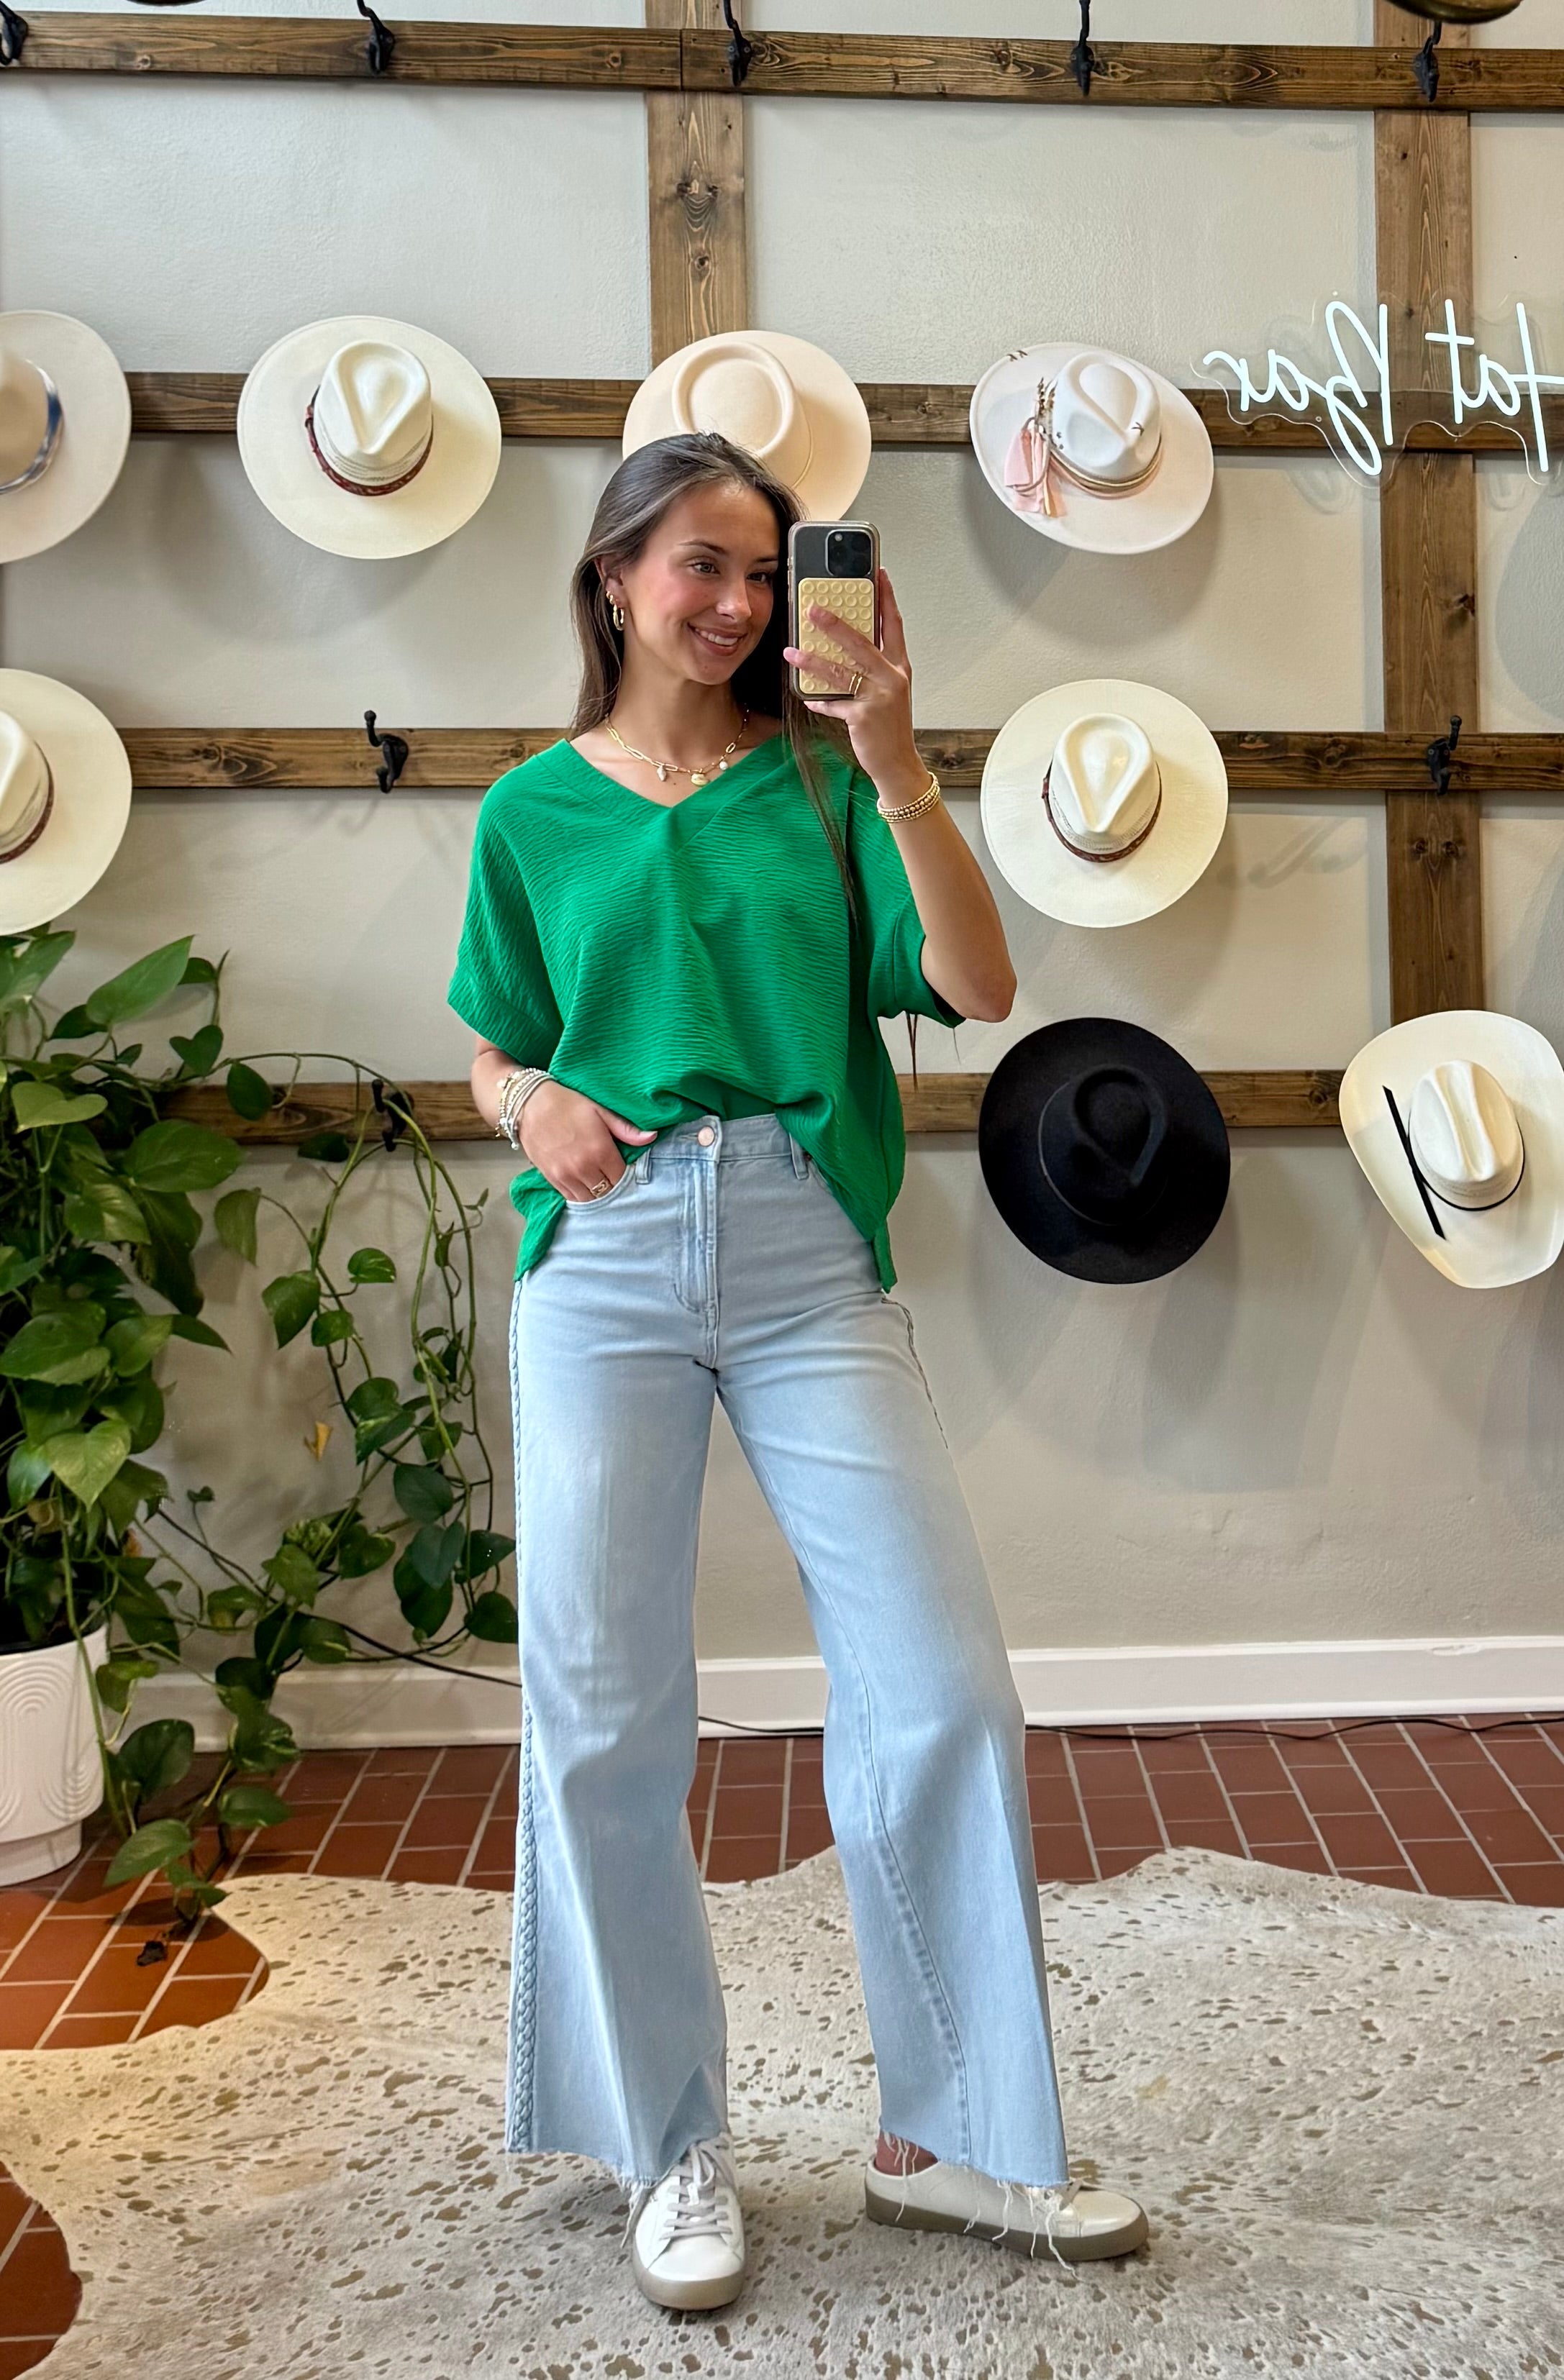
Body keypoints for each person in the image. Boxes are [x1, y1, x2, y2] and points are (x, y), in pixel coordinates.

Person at [447, 428, 1149, 2313]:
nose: (743, 603)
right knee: (603, 1710)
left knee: (943, 1687)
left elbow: (981, 987)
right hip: (604, 1258)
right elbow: (492, 1044)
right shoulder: (530, 812)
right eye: (703, 564)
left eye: (766, 572)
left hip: (802, 1252)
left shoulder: (834, 786)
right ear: (615, 578)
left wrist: (898, 756)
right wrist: (530, 1109)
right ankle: (666, 2138)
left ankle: (955, 2139)